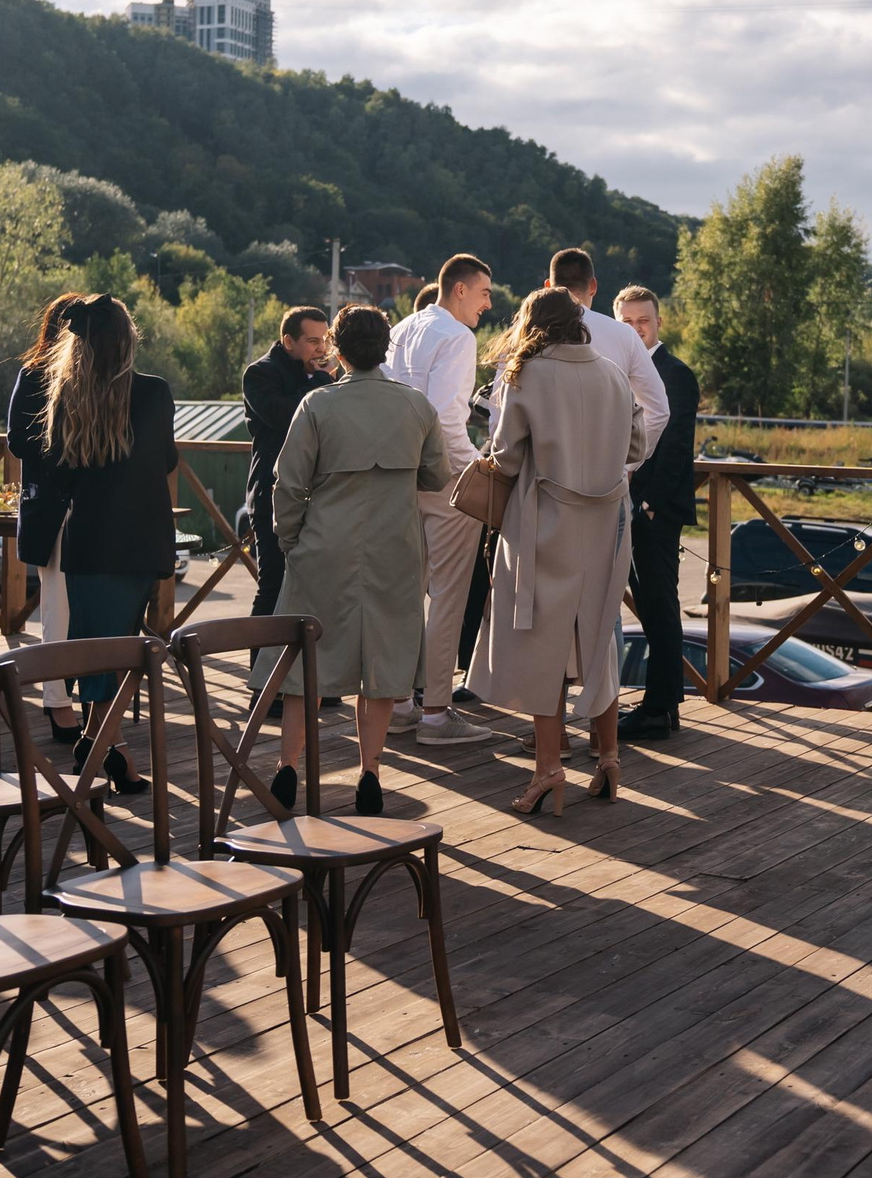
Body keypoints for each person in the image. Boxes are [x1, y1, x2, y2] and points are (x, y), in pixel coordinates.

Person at [264, 304, 452, 817]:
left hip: (323, 548)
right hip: (395, 549)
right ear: (385, 349)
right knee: (384, 665)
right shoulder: (416, 407)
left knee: (307, 664)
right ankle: (370, 773)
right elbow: (437, 476)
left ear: (339, 352)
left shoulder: (317, 406)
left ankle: (287, 768)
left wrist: (290, 541)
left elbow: (289, 484)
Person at [474, 288, 641, 815]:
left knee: (541, 643)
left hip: (546, 519)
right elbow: (636, 446)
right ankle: (609, 759)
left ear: (533, 324)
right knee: (598, 639)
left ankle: (549, 769)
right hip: (607, 524)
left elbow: (504, 455)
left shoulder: (529, 375)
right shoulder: (614, 372)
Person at [41, 294, 174, 796]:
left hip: (89, 536)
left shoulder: (65, 396)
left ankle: (102, 743)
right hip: (140, 535)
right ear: (127, 339)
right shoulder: (155, 393)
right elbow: (165, 460)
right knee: (123, 648)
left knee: (100, 645)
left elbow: (58, 471)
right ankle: (105, 748)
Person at [382, 253, 499, 746]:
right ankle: (436, 713)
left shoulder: (403, 327)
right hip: (445, 477)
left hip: (400, 474)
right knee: (449, 594)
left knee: (408, 590)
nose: (487, 305)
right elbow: (447, 417)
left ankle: (400, 704)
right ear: (459, 291)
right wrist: (475, 463)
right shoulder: (457, 335)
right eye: (484, 293)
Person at [615, 285, 700, 741]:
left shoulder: (676, 373)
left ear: (658, 323)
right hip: (623, 505)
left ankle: (659, 708)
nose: (634, 329)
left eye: (641, 321)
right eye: (625, 322)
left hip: (654, 511)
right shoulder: (618, 371)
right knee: (647, 607)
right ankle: (663, 703)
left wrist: (647, 505)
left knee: (661, 606)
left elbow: (676, 450)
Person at [5, 294, 81, 739]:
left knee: (89, 609)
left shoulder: (106, 377)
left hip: (99, 507)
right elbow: (18, 439)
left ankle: (90, 695)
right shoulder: (34, 374)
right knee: (58, 607)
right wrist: (71, 445)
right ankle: (57, 702)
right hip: (53, 504)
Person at [243, 306, 334, 615]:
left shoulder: (318, 376)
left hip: (319, 494)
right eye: (313, 341)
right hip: (272, 494)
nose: (322, 349)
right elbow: (285, 416)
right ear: (288, 341)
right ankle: (261, 665)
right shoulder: (259, 373)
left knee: (316, 589)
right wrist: (320, 381)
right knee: (273, 586)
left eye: (325, 340)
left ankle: (302, 664)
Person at [546, 249, 667, 463]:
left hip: (541, 475)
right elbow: (658, 411)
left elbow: (500, 410)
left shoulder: (520, 335)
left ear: (548, 286)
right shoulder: (623, 335)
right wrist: (628, 463)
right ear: (593, 286)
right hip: (607, 478)